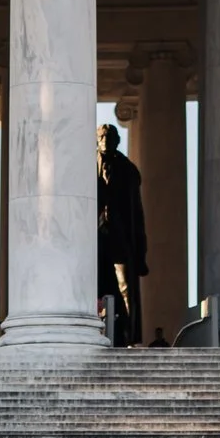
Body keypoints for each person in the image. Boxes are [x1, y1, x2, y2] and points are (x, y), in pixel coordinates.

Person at [97, 125, 149, 346]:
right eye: (102, 137)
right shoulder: (87, 165)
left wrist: (141, 250)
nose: (106, 140)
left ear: (117, 141)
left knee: (125, 287)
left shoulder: (128, 170)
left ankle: (128, 336)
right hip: (96, 238)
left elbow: (136, 211)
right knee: (95, 286)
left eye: (110, 137)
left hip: (120, 237)